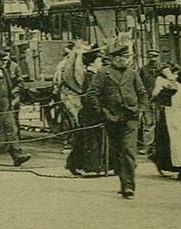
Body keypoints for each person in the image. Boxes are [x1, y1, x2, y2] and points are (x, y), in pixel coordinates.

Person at [85, 45, 148, 199]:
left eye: (128, 57)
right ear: (116, 58)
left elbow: (142, 93)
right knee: (117, 151)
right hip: (111, 118)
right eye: (124, 57)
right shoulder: (103, 73)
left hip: (130, 117)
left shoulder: (132, 73)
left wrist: (141, 110)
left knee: (128, 150)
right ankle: (123, 181)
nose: (126, 60)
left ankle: (128, 186)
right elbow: (91, 94)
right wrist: (102, 112)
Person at [151, 62, 181, 182]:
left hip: (180, 116)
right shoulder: (161, 83)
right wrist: (166, 87)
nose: (175, 76)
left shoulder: (178, 84)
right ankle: (178, 169)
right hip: (168, 116)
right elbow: (159, 97)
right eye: (173, 73)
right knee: (171, 143)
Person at [66, 50, 107, 176]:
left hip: (91, 113)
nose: (101, 63)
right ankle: (85, 165)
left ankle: (77, 164)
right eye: (99, 60)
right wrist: (99, 109)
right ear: (93, 62)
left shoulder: (93, 75)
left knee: (86, 140)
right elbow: (90, 97)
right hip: (91, 114)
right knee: (89, 141)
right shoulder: (91, 76)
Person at [138, 48, 163, 156]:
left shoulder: (163, 69)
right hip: (147, 100)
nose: (153, 59)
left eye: (155, 56)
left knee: (161, 123)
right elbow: (139, 85)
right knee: (148, 124)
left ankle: (161, 147)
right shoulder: (143, 70)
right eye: (150, 56)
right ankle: (147, 146)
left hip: (161, 101)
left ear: (159, 57)